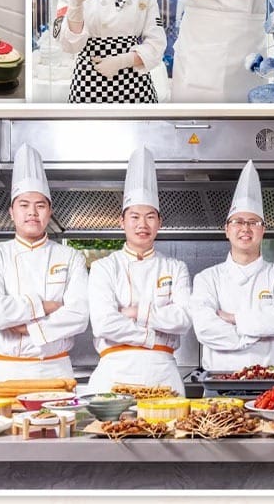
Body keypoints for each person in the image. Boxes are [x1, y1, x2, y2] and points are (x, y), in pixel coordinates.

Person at [0, 144, 90, 390]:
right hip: (3, 372)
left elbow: (79, 316)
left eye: (40, 205)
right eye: (24, 205)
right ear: (11, 212)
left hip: (54, 370)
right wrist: (46, 306)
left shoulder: (71, 257)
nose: (32, 213)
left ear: (50, 212)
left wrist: (26, 327)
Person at [87, 147, 191, 393]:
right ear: (122, 221)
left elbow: (184, 320)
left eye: (150, 217)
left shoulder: (175, 268)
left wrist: (135, 311)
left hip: (163, 372)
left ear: (159, 222)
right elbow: (103, 324)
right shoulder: (104, 267)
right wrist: (152, 333)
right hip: (113, 372)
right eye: (134, 217)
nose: (142, 225)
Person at [189, 161, 274, 371]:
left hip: (273, 386)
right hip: (219, 383)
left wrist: (233, 319)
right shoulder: (206, 278)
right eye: (238, 221)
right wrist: (254, 336)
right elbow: (204, 328)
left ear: (263, 230)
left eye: (253, 222)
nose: (246, 228)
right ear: (226, 229)